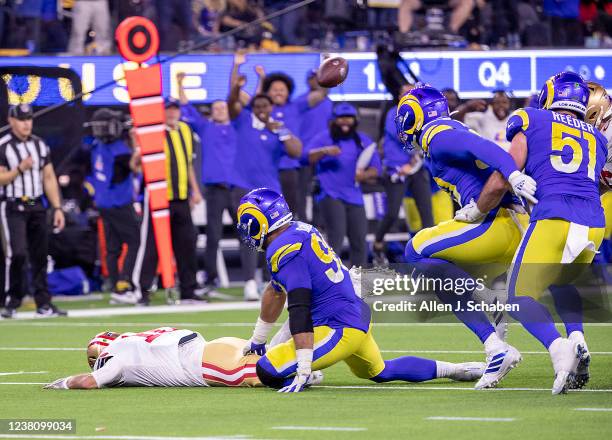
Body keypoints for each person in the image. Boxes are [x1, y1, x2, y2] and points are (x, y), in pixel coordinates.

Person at [237, 188, 485, 393]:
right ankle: (458, 369)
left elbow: (299, 305)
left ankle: (307, 375)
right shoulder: (298, 229)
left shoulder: (283, 248)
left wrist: (304, 363)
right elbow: (276, 290)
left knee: (267, 370)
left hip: (338, 325)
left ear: (258, 221)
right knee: (380, 371)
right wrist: (258, 339)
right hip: (352, 311)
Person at [466, 72, 608, 394]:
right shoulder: (597, 138)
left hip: (554, 215)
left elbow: (507, 173)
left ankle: (560, 351)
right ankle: (577, 336)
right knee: (562, 281)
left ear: (550, 94)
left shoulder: (530, 118)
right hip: (593, 223)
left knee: (518, 296)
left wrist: (479, 209)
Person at [396, 85, 538, 390]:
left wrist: (512, 175)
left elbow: (483, 148)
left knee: (415, 250)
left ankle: (494, 336)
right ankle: (496, 346)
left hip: (496, 224)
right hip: (510, 225)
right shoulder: (444, 132)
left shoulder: (438, 134)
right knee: (449, 281)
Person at [228, 53, 302, 300]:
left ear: (271, 107)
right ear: (253, 107)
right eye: (257, 106)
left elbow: (297, 151)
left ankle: (269, 279)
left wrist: (281, 130)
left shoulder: (276, 129)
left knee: (273, 237)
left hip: (269, 194)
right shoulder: (242, 122)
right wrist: (236, 68)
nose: (261, 109)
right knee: (249, 235)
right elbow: (231, 101)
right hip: (243, 188)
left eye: (265, 106)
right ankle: (249, 281)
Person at [132, 98, 204, 305]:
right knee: (151, 245)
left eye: (174, 109)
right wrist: (137, 154)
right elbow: (137, 165)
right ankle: (142, 290)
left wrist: (195, 191)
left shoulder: (185, 130)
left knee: (187, 243)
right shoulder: (152, 131)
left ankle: (188, 291)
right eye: (168, 110)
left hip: (181, 197)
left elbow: (188, 164)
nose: (172, 113)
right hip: (157, 197)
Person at [176, 72, 240, 297]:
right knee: (213, 235)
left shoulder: (238, 127)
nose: (219, 110)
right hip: (215, 189)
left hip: (237, 188)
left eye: (223, 107)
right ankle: (211, 278)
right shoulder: (206, 128)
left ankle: (256, 276)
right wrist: (180, 84)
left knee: (248, 235)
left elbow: (240, 100)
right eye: (215, 108)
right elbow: (187, 108)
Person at [0, 104, 67, 318]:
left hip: (36, 205)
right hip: (12, 204)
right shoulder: (4, 146)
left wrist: (57, 207)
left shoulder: (39, 145)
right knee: (17, 254)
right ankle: (12, 301)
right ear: (11, 121)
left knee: (40, 256)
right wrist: (19, 169)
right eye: (21, 119)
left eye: (29, 118)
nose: (26, 123)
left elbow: (48, 177)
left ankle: (44, 303)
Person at [44, 327, 267, 389]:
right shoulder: (133, 340)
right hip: (214, 346)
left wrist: (63, 382)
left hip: (201, 364)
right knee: (275, 358)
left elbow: (88, 382)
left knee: (270, 373)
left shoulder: (116, 355)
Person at [307, 103, 380, 267]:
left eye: (348, 118)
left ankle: (357, 280)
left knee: (360, 240)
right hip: (330, 194)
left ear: (355, 120)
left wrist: (364, 174)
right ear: (334, 121)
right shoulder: (324, 138)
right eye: (341, 119)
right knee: (336, 238)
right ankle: (332, 279)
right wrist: (324, 151)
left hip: (355, 196)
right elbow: (306, 158)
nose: (345, 122)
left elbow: (376, 169)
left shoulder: (362, 141)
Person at [256, 67, 329, 220]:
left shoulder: (295, 106)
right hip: (265, 167)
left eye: (282, 89)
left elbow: (321, 93)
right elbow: (256, 100)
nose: (278, 92)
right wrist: (261, 79)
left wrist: (325, 76)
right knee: (264, 211)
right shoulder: (261, 110)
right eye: (274, 89)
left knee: (290, 210)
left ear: (288, 92)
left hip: (288, 166)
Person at [373, 86, 433, 265]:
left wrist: (416, 160)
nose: (410, 96)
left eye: (413, 93)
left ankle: (430, 253)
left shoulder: (424, 112)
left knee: (426, 211)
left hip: (416, 167)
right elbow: (404, 137)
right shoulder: (394, 113)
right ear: (399, 96)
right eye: (405, 93)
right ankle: (377, 244)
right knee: (392, 213)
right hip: (397, 170)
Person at [88, 108, 140, 304]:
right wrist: (136, 142)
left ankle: (115, 285)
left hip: (103, 202)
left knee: (112, 248)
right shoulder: (120, 150)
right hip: (118, 202)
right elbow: (135, 166)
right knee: (135, 241)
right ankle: (124, 284)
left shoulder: (96, 146)